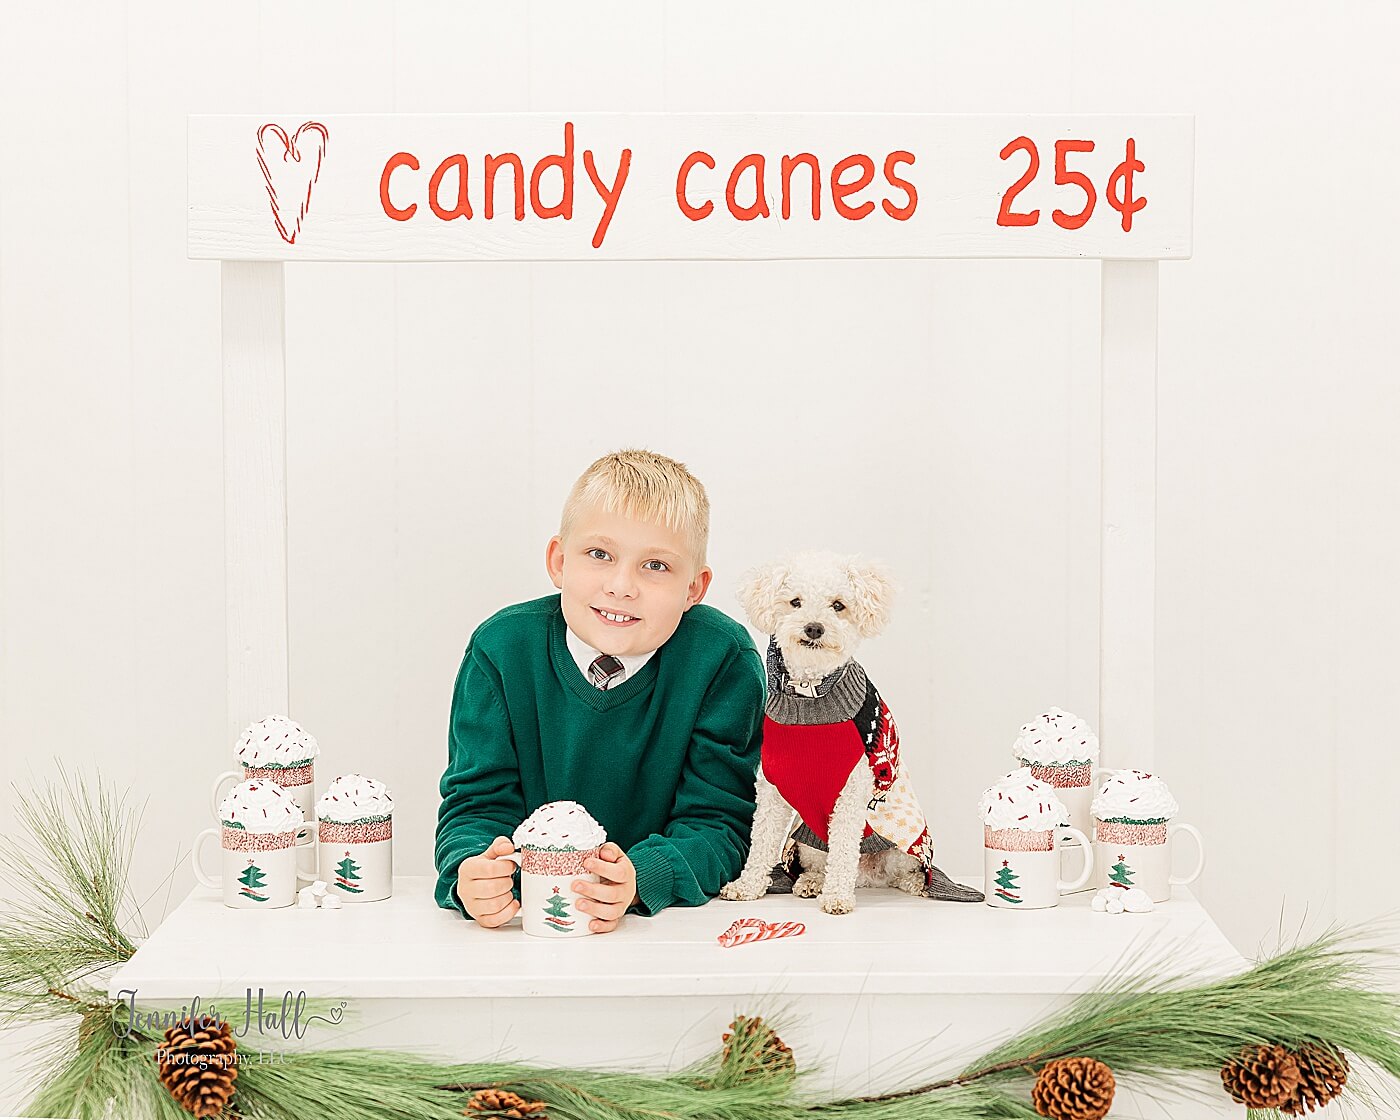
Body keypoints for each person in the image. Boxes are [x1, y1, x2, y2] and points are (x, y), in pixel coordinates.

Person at [434, 449, 765, 933]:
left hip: (663, 936)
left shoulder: (722, 659)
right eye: (600, 554)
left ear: (695, 588)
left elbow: (719, 822)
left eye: (656, 565)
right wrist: (471, 870)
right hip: (529, 929)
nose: (621, 585)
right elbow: (476, 803)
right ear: (559, 561)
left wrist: (643, 877)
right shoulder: (501, 650)